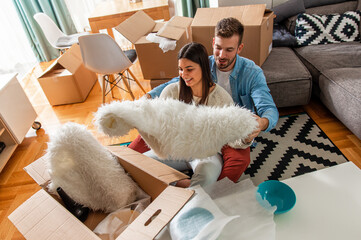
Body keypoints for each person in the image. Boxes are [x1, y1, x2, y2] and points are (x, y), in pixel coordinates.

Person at [132, 17, 279, 183]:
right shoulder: (202, 63)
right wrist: (148, 96)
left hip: (230, 133)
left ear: (240, 48)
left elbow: (268, 108)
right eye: (218, 48)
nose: (222, 55)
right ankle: (152, 177)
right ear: (213, 42)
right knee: (135, 148)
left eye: (229, 50)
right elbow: (176, 82)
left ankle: (208, 191)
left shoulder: (252, 72)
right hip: (196, 129)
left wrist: (262, 123)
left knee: (238, 162)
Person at [130, 42, 244, 188]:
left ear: (203, 68)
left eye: (189, 69)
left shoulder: (221, 98)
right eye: (180, 69)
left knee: (208, 176)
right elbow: (161, 128)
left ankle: (182, 189)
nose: (184, 75)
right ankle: (180, 184)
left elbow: (230, 136)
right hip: (175, 149)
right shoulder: (170, 91)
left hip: (206, 153)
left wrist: (244, 136)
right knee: (137, 166)